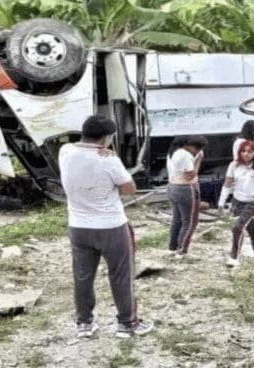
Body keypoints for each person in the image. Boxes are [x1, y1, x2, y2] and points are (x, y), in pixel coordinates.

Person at [58, 115, 154, 339]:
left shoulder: (66, 152)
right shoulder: (108, 159)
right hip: (111, 226)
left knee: (82, 276)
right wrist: (114, 158)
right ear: (106, 138)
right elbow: (129, 188)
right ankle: (126, 324)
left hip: (78, 225)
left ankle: (84, 324)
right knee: (121, 275)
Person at [217, 140, 254, 267]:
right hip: (238, 200)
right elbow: (227, 185)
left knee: (238, 227)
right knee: (249, 224)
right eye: (243, 151)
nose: (246, 154)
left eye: (250, 151)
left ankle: (234, 257)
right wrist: (221, 203)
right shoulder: (234, 165)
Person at [166, 134, 209, 257]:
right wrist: (198, 160)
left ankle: (172, 247)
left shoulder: (172, 153)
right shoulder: (185, 155)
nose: (198, 151)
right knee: (190, 222)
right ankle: (182, 249)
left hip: (172, 186)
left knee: (177, 219)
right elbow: (190, 175)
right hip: (185, 188)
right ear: (190, 146)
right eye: (198, 149)